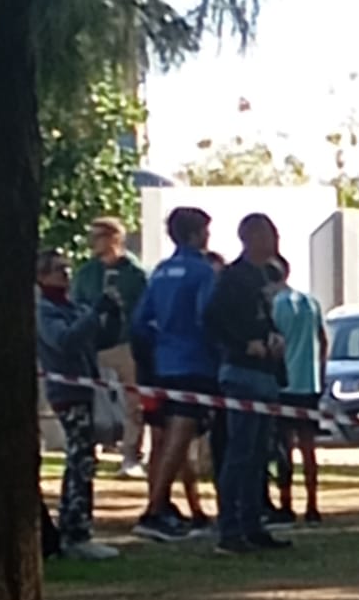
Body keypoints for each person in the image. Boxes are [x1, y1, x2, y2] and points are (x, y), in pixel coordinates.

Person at [130, 206, 219, 542]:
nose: (208, 237)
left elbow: (140, 321)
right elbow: (207, 318)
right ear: (196, 234)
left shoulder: (160, 272)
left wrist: (157, 349)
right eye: (205, 231)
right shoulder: (202, 271)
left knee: (169, 438)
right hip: (194, 363)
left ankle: (173, 508)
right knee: (180, 437)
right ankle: (154, 510)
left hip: (163, 363)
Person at [203, 213, 289, 557]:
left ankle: (254, 524)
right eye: (268, 234)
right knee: (239, 453)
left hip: (265, 373)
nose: (274, 240)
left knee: (258, 454)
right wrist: (243, 345)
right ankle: (230, 529)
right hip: (241, 373)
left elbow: (262, 318)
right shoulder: (233, 277)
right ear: (251, 237)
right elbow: (213, 319)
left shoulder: (262, 277)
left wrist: (274, 338)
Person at [36, 249, 123, 561]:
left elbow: (98, 339)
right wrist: (93, 314)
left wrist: (112, 314)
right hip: (67, 392)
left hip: (86, 390)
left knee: (85, 458)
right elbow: (66, 341)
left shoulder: (72, 307)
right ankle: (75, 531)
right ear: (42, 275)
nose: (66, 274)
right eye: (59, 270)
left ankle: (77, 526)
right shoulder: (45, 311)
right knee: (79, 459)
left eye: (68, 269)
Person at [73, 216, 150, 476]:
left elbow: (144, 310)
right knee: (91, 398)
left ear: (114, 238)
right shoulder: (87, 273)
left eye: (98, 236)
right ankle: (90, 449)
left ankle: (131, 455)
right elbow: (77, 304)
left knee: (133, 403)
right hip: (94, 345)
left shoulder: (135, 274)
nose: (92, 242)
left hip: (125, 344)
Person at [268, 255, 327, 526]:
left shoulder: (273, 306)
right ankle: (313, 505)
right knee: (308, 446)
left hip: (283, 384)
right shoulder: (310, 302)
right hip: (308, 382)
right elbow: (323, 341)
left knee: (284, 446)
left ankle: (286, 503)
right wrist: (320, 375)